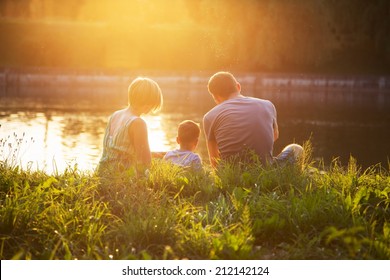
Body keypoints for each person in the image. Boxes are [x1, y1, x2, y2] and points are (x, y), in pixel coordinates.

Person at [203, 71, 303, 168]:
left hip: (232, 176)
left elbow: (214, 161)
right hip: (265, 171)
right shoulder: (268, 105)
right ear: (238, 86)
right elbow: (274, 136)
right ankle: (292, 181)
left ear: (215, 97)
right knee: (296, 149)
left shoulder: (209, 117)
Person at [98, 77, 163, 174]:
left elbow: (120, 151)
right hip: (121, 179)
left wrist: (155, 154)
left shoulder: (115, 115)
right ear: (149, 103)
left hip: (102, 175)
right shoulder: (138, 123)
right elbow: (145, 162)